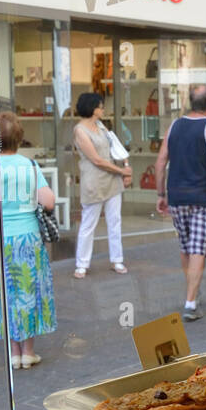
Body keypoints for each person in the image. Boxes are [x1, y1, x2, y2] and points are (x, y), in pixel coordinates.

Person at [155, 84, 206, 322]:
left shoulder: (174, 125)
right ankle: (191, 301)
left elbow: (160, 161)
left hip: (176, 195)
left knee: (186, 247)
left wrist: (160, 194)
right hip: (202, 196)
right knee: (197, 249)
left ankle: (191, 293)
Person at [0, 111, 57, 367]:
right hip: (29, 238)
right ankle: (29, 351)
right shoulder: (30, 166)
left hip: (0, 240)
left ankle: (13, 353)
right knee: (29, 290)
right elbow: (49, 202)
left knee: (6, 293)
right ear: (19, 137)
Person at [72, 91, 132, 278]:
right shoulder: (80, 130)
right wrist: (122, 171)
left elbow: (116, 147)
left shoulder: (101, 126)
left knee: (115, 221)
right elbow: (96, 160)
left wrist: (126, 166)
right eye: (100, 106)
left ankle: (117, 259)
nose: (102, 109)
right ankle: (82, 263)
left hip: (112, 178)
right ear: (92, 108)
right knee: (89, 222)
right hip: (94, 180)